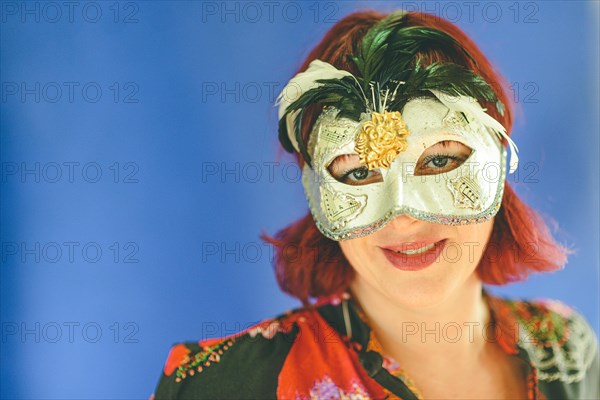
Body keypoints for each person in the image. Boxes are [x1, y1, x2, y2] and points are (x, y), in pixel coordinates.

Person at [152, 9, 599, 400]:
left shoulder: (564, 348)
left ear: (499, 161)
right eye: (358, 173)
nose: (403, 216)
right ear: (316, 189)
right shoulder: (223, 386)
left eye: (439, 160)